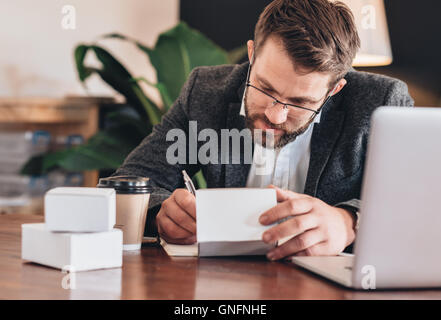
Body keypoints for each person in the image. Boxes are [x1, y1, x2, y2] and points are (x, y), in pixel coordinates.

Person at [113, 0, 414, 260]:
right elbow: (126, 184)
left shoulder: (381, 103)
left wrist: (350, 222)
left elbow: (416, 203)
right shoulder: (206, 91)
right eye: (265, 88)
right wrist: (160, 212)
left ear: (335, 89)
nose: (275, 115)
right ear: (252, 54)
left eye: (299, 102)